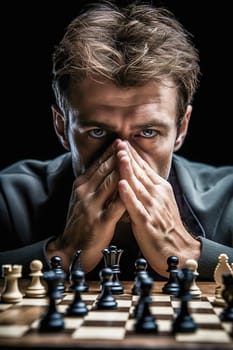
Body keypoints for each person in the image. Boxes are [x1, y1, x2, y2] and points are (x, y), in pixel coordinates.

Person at [0, 0, 232, 281]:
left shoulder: (229, 198)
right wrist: (61, 252)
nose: (122, 158)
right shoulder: (10, 199)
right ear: (61, 126)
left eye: (147, 133)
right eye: (97, 132)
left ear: (181, 128)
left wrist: (192, 254)